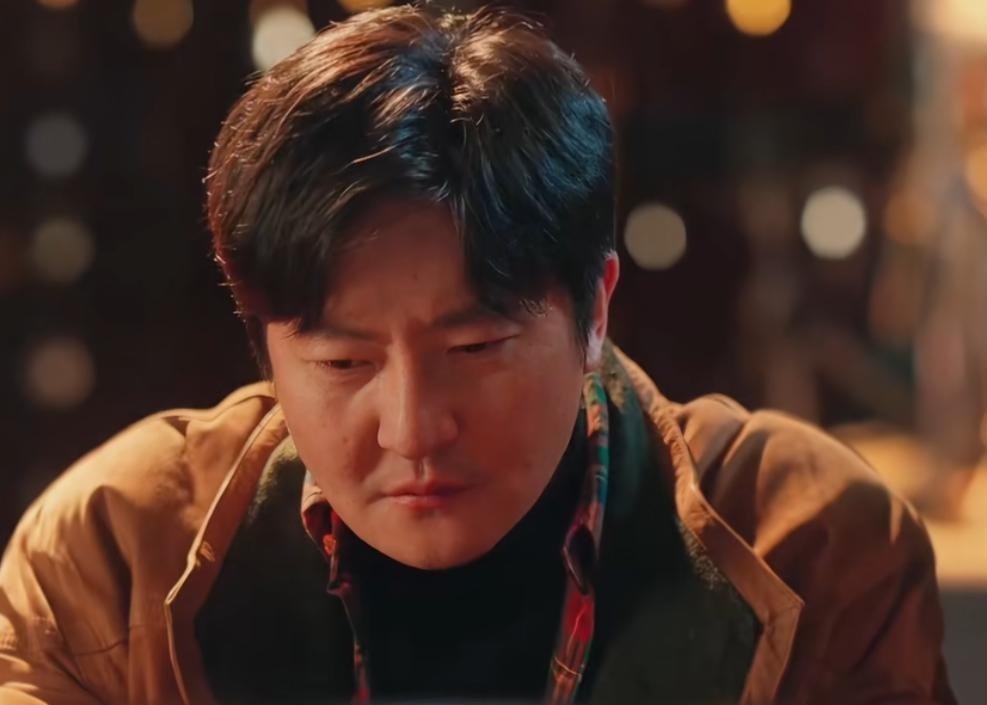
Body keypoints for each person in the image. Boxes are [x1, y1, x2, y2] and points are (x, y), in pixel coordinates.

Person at [0, 6, 956, 705]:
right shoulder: (115, 556)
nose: (414, 428)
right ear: (265, 349)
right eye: (342, 363)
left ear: (594, 310)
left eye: (475, 344)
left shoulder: (810, 546)